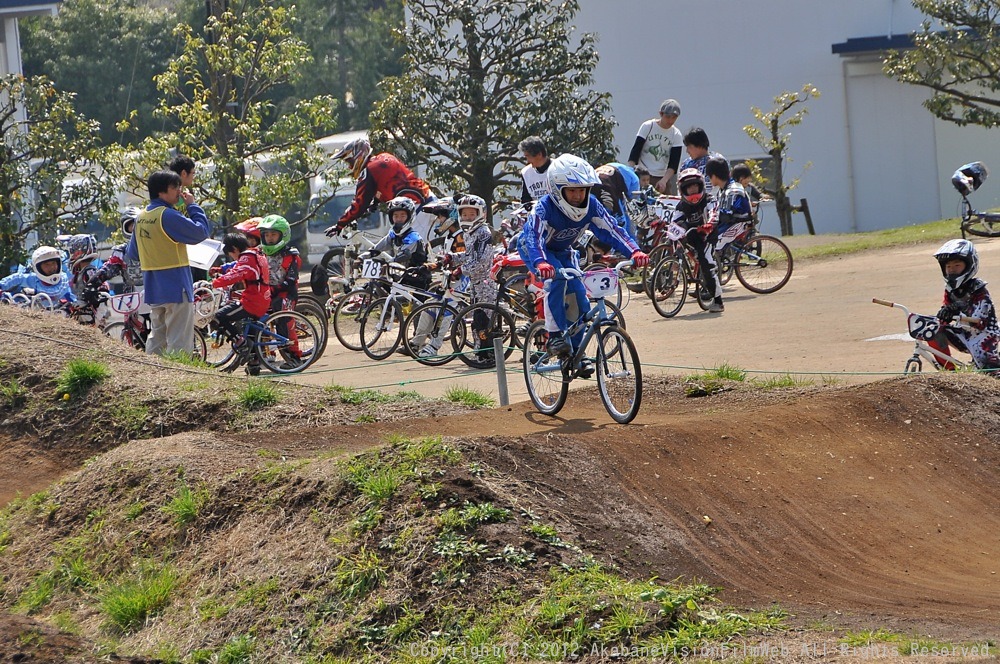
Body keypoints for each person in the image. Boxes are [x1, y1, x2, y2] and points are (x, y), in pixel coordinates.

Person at [519, 154, 649, 359]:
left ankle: (576, 356)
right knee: (557, 280)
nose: (578, 196)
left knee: (579, 296)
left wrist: (635, 250)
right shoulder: (543, 208)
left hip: (563, 250)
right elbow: (533, 238)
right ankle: (554, 335)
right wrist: (541, 262)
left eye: (582, 190)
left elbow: (612, 230)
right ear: (556, 189)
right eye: (572, 190)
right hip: (536, 250)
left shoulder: (593, 205)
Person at [126, 169, 211, 356]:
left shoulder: (141, 217)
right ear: (161, 192)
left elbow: (132, 252)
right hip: (176, 285)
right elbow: (201, 232)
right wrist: (193, 206)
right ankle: (179, 379)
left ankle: (151, 374)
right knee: (179, 339)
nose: (180, 192)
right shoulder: (168, 215)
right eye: (175, 188)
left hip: (154, 287)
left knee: (157, 337)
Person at [423, 194, 498, 360]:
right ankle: (480, 351)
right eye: (464, 214)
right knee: (477, 321)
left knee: (484, 321)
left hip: (486, 283)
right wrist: (452, 257)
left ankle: (489, 353)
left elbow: (481, 262)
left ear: (482, 214)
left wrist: (460, 270)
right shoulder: (468, 233)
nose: (468, 217)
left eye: (472, 214)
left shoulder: (484, 233)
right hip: (475, 284)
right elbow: (469, 255)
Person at [322, 137, 438, 245]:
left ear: (358, 156)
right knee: (399, 243)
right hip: (426, 198)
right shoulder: (384, 157)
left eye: (350, 162)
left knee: (411, 251)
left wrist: (340, 225)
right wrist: (375, 202)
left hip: (417, 207)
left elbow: (359, 204)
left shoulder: (368, 172)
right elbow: (390, 183)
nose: (349, 167)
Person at [929, 239, 1000, 373]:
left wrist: (957, 309)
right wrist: (944, 313)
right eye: (948, 267)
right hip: (963, 334)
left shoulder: (978, 289)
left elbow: (979, 320)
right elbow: (947, 311)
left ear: (969, 265)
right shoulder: (950, 290)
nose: (952, 270)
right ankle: (951, 370)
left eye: (957, 265)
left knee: (990, 373)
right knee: (932, 329)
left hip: (984, 337)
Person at [210, 233, 271, 373]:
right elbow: (237, 266)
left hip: (253, 301)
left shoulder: (247, 258)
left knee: (218, 316)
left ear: (235, 249)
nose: (232, 256)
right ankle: (254, 364)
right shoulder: (255, 253)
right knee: (250, 329)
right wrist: (221, 269)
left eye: (230, 253)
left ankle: (240, 342)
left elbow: (236, 273)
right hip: (262, 297)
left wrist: (215, 283)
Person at [672, 168, 725, 313]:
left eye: (695, 186)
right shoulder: (681, 205)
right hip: (691, 235)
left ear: (701, 185)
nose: (693, 190)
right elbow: (675, 222)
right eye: (689, 187)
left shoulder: (709, 199)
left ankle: (718, 300)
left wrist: (709, 225)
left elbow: (714, 213)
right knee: (672, 238)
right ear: (683, 190)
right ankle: (673, 265)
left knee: (705, 260)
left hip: (707, 236)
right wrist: (665, 225)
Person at [627, 99, 683, 194]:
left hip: (662, 177)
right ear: (661, 114)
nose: (670, 120)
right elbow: (635, 151)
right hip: (643, 174)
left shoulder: (676, 134)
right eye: (668, 116)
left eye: (674, 117)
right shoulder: (648, 126)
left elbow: (674, 163)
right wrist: (630, 173)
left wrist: (664, 180)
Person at [88, 208, 144, 294]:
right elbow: (108, 269)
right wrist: (93, 283)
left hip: (157, 294)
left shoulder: (154, 247)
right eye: (131, 226)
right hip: (132, 299)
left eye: (137, 225)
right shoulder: (121, 252)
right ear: (125, 228)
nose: (134, 229)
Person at [706, 157, 753, 254]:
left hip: (738, 222)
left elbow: (726, 215)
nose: (709, 180)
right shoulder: (726, 187)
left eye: (709, 177)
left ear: (714, 176)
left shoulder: (731, 190)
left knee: (708, 242)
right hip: (735, 221)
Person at [0, 245, 75, 305]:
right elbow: (17, 277)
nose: (52, 267)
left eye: (53, 263)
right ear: (37, 267)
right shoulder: (33, 279)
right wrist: (1, 285)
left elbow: (71, 298)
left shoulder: (63, 280)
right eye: (47, 264)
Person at [593, 162, 642, 239]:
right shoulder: (634, 177)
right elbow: (633, 206)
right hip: (609, 189)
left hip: (592, 185)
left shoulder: (615, 166)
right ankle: (630, 244)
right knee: (622, 220)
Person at [679, 127, 725, 201]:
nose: (687, 151)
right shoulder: (686, 164)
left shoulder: (717, 161)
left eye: (689, 147)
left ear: (699, 145)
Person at [55, 233, 103, 300]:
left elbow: (99, 291)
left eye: (71, 251)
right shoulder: (80, 272)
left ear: (79, 252)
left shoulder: (89, 271)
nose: (71, 254)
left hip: (90, 309)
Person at [519, 136, 553, 204]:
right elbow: (525, 200)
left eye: (528, 156)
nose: (527, 161)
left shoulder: (557, 168)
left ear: (539, 154)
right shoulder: (526, 173)